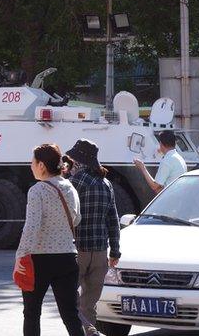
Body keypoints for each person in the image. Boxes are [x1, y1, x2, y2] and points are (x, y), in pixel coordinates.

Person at [14, 144, 85, 336]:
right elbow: (77, 219)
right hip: (67, 257)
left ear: (42, 165)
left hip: (39, 259)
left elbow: (31, 227)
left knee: (31, 313)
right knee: (71, 314)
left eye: (33, 162)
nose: (31, 166)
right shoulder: (69, 186)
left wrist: (20, 255)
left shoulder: (37, 190)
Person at [66, 139, 121, 336]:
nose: (69, 164)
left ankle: (89, 331)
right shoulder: (106, 184)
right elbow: (113, 220)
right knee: (89, 304)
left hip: (77, 251)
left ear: (79, 161)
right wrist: (115, 251)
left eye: (71, 160)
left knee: (69, 301)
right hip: (100, 253)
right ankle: (90, 332)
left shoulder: (74, 182)